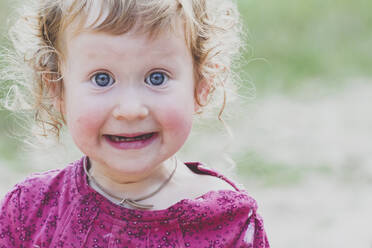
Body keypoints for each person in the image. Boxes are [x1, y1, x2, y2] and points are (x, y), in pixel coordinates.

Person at [0, 0, 269, 247]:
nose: (130, 110)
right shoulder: (29, 212)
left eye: (157, 78)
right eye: (102, 79)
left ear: (201, 85)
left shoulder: (228, 220)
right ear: (58, 90)